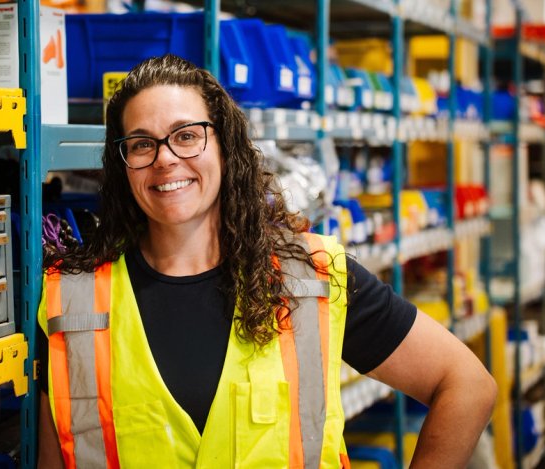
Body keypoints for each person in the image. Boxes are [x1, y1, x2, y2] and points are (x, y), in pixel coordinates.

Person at [37, 54, 497, 469]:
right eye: (141, 144)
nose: (166, 159)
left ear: (224, 145)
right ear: (123, 165)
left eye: (187, 136)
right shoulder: (72, 303)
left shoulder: (312, 278)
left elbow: (467, 385)